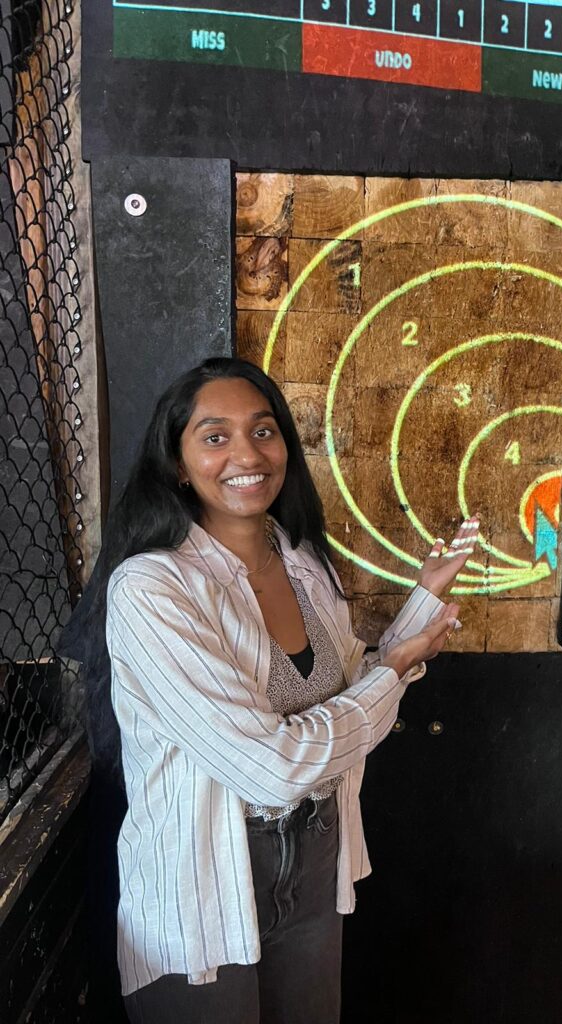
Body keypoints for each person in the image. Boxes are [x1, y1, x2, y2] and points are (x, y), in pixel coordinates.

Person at [81, 356, 478, 1024]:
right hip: (205, 874)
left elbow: (350, 686)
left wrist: (420, 605)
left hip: (315, 855)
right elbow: (272, 768)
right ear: (178, 464)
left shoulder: (304, 564)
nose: (247, 453)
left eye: (264, 432)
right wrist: (394, 671)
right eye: (215, 436)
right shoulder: (152, 589)